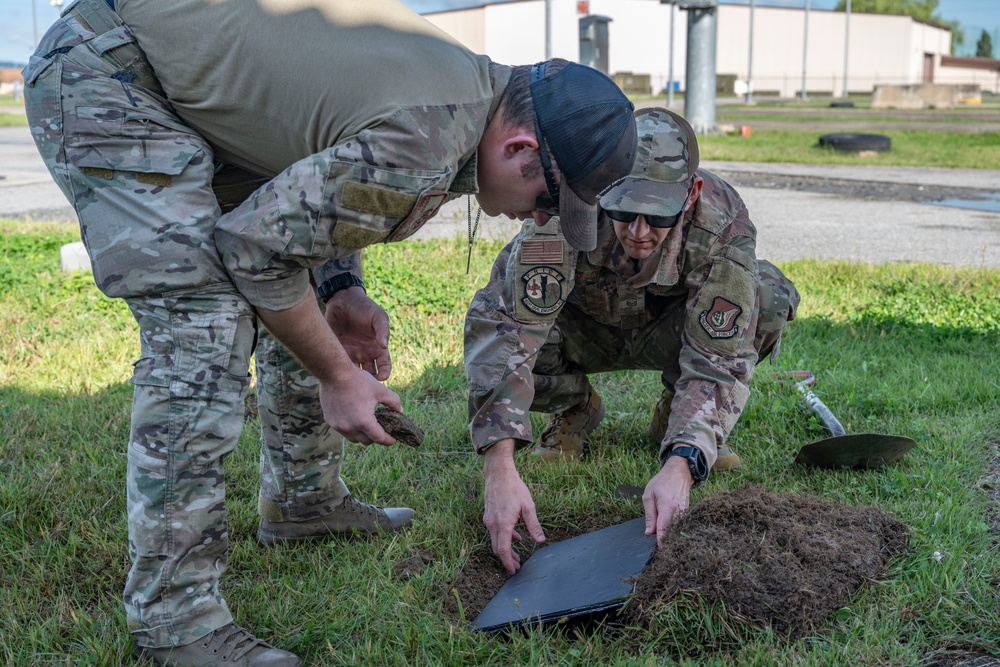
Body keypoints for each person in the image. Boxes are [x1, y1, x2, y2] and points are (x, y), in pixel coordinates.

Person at [21, 0, 638, 663]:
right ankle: (176, 619)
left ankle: (303, 502)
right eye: (548, 201)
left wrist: (342, 287)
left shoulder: (469, 88)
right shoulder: (428, 137)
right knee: (201, 324)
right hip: (113, 75)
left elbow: (308, 180)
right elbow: (253, 250)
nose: (534, 217)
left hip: (166, 77)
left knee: (308, 292)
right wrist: (337, 376)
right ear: (519, 149)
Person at [464, 108, 800, 574]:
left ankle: (675, 418)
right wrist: (499, 468)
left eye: (657, 214)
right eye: (624, 210)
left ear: (691, 195)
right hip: (584, 332)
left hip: (673, 336)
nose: (639, 232)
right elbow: (509, 331)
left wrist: (684, 460)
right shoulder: (566, 209)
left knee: (767, 298)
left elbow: (719, 357)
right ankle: (575, 406)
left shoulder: (720, 223)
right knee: (499, 318)